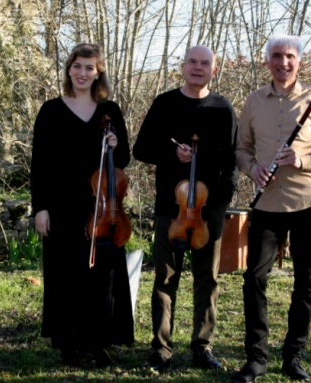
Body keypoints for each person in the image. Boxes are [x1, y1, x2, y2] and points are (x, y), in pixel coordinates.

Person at [231, 35, 311, 382]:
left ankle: (293, 357)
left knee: (305, 282)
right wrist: (252, 169)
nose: (283, 62)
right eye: (277, 56)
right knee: (254, 278)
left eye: (290, 56)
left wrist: (303, 158)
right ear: (267, 61)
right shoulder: (253, 101)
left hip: (309, 201)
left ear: (299, 61)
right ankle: (256, 358)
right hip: (266, 202)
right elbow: (241, 150)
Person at [133, 45, 238, 372]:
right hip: (171, 208)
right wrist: (171, 156)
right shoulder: (165, 103)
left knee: (207, 278)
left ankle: (202, 346)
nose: (198, 67)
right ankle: (161, 348)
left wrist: (219, 203)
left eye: (205, 63)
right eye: (192, 62)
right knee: (165, 278)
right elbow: (141, 148)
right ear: (183, 66)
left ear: (214, 70)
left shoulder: (223, 108)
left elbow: (231, 161)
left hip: (210, 210)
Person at [30, 43, 134, 367]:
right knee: (65, 275)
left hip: (103, 209)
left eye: (90, 67)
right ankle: (69, 342)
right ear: (68, 70)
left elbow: (125, 159)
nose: (82, 73)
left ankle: (100, 341)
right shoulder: (50, 110)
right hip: (61, 206)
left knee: (102, 276)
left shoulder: (110, 111)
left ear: (98, 72)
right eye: (77, 66)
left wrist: (116, 145)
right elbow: (40, 164)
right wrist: (41, 208)